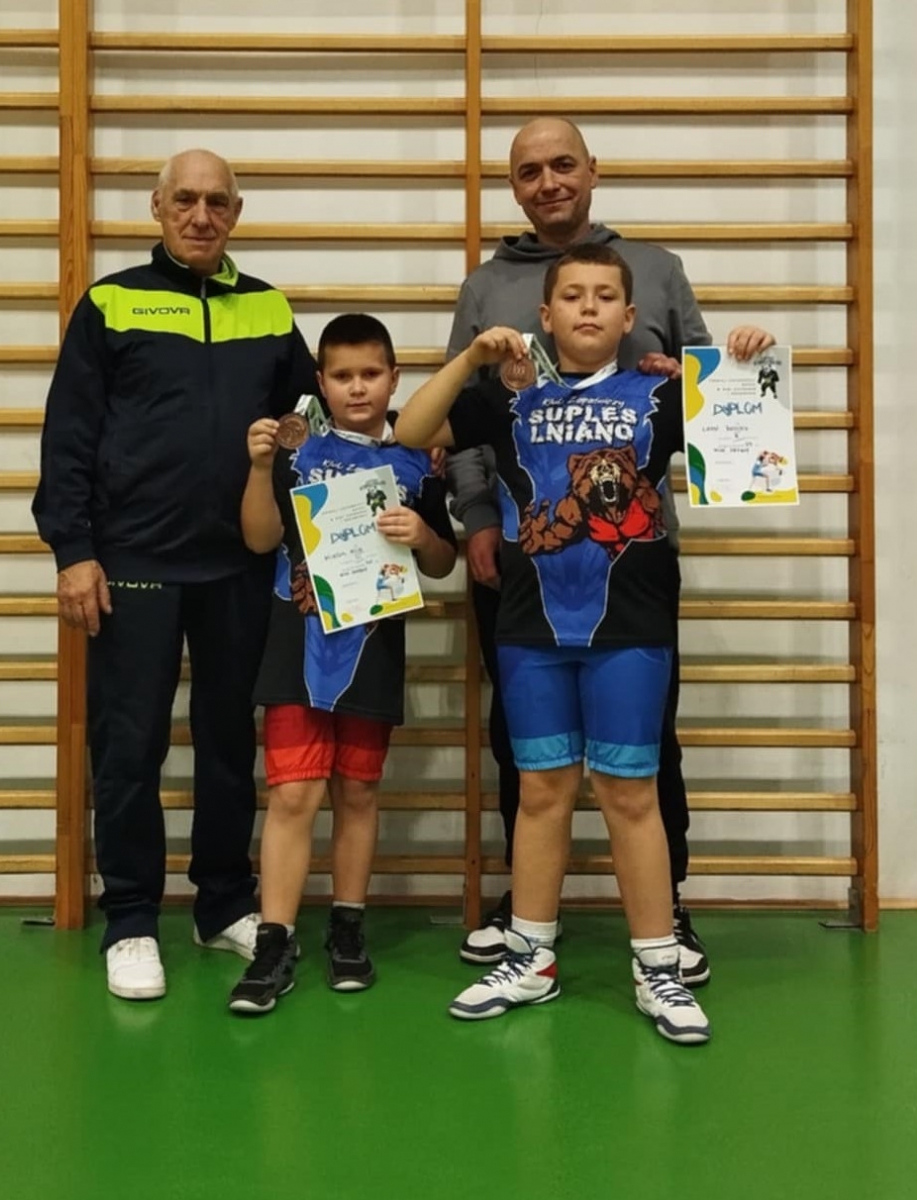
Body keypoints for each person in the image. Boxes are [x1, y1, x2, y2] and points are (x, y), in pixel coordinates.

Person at [446, 117, 774, 979]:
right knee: (523, 745)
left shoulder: (657, 269)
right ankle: (528, 918)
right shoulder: (485, 286)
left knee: (646, 744)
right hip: (520, 552)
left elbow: (711, 392)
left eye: (563, 164)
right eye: (529, 171)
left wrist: (739, 364)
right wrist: (478, 519)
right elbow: (460, 420)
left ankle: (669, 912)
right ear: (513, 186)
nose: (548, 181)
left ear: (593, 170)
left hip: (630, 561)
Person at [396, 244, 718, 1043]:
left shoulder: (658, 392)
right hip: (530, 624)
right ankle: (530, 956)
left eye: (605, 295)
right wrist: (471, 356)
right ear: (544, 315)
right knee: (541, 791)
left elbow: (750, 443)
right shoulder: (507, 396)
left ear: (630, 315)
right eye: (572, 295)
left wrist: (736, 363)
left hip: (631, 625)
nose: (588, 307)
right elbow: (410, 429)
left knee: (630, 794)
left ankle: (657, 965)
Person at [32, 150, 317, 1000]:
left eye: (217, 202)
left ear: (237, 212)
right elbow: (69, 434)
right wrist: (74, 551)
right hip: (134, 563)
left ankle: (221, 901)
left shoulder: (268, 308)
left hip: (240, 566)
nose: (201, 215)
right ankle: (130, 919)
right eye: (185, 200)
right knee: (130, 747)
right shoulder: (111, 302)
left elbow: (311, 429)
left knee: (229, 744)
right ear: (157, 207)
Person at [228, 314, 457, 1015]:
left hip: (371, 647)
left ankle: (349, 926)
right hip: (295, 643)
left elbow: (442, 562)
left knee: (357, 792)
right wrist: (259, 467)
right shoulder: (294, 449)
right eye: (342, 375)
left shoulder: (417, 459)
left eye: (371, 374)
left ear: (394, 379)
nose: (357, 387)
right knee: (293, 796)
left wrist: (423, 534)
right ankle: (274, 939)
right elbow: (258, 538)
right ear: (321, 383)